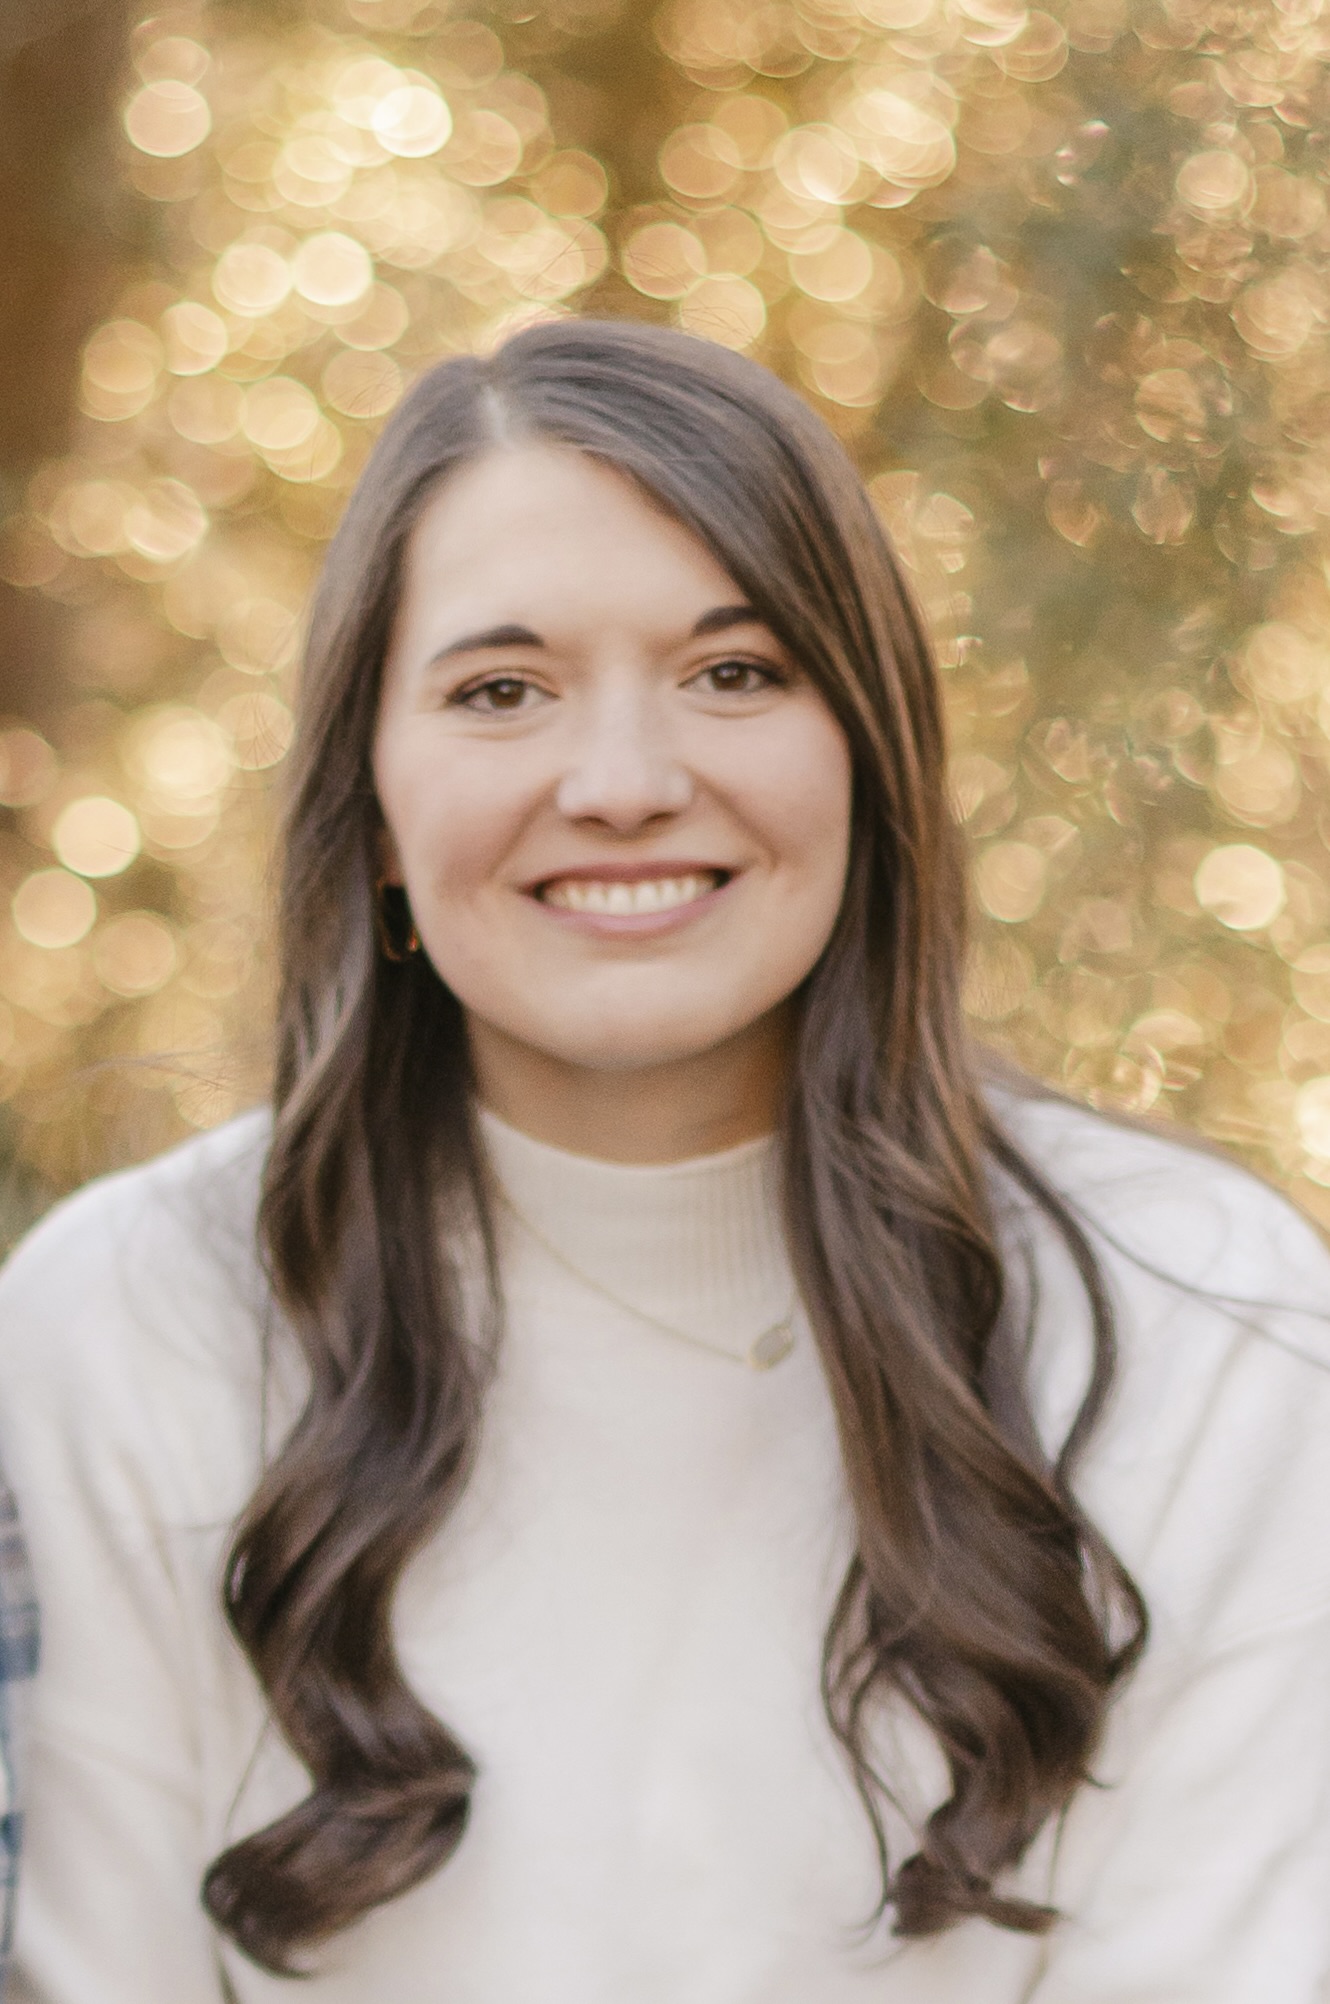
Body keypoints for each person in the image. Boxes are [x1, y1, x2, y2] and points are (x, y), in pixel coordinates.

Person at [0, 317, 1328, 2003]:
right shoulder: (129, 1320)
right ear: (375, 812)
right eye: (500, 692)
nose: (622, 783)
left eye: (736, 672)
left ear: (868, 756)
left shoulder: (1200, 1317)